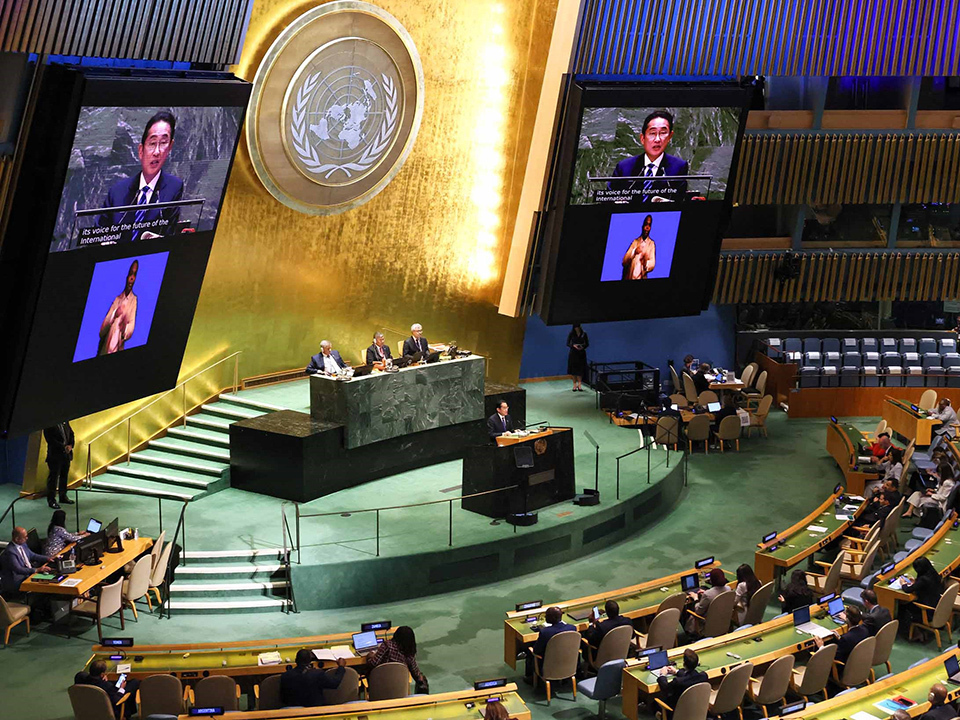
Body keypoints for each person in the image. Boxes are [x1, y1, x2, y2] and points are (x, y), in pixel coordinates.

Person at [98, 110, 184, 240]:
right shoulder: (117, 192)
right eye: (152, 143)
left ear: (170, 147)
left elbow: (170, 234)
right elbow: (96, 236)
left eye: (163, 143)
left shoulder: (174, 188)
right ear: (140, 150)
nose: (157, 152)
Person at [609, 110, 689, 202]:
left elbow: (680, 200)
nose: (658, 139)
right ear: (642, 138)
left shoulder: (678, 167)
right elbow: (609, 198)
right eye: (652, 133)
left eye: (663, 133)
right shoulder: (624, 167)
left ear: (670, 137)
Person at [74, 659, 140, 719]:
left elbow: (84, 674)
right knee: (135, 682)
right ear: (102, 674)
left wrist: (102, 680)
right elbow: (117, 700)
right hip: (107, 711)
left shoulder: (80, 677)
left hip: (87, 709)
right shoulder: (107, 686)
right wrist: (121, 688)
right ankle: (128, 714)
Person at [98, 260, 139, 356]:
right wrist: (114, 314)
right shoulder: (117, 300)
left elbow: (131, 328)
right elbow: (102, 330)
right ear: (126, 276)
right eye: (130, 274)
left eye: (134, 274)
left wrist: (124, 328)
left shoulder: (134, 301)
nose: (132, 278)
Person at [366, 625, 427, 690]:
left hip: (380, 686)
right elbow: (416, 674)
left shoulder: (387, 646)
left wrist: (370, 656)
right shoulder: (409, 654)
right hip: (400, 689)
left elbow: (373, 663)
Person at [280, 649, 346, 707]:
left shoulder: (285, 676)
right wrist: (341, 667)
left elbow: (283, 698)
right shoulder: (318, 674)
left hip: (293, 710)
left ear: (296, 660)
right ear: (310, 661)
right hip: (315, 709)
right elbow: (335, 683)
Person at [0, 527, 51, 598]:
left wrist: (48, 558)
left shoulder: (23, 545)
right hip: (18, 581)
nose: (27, 538)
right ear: (17, 539)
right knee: (44, 586)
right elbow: (18, 569)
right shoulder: (10, 552)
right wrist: (37, 570)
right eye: (25, 537)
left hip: (28, 574)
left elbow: (32, 555)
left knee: (49, 579)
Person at [526, 606, 575, 679]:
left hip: (549, 666)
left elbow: (536, 651)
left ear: (553, 618)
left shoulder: (545, 632)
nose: (545, 617)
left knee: (530, 650)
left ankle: (530, 678)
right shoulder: (572, 628)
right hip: (567, 663)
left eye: (547, 616)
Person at [900, 557, 945, 629]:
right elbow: (925, 585)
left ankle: (909, 631)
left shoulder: (923, 580)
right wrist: (916, 582)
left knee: (903, 605)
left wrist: (903, 584)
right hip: (936, 604)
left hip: (928, 611)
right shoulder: (934, 573)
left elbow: (907, 590)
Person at [685, 567, 728, 635]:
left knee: (687, 608)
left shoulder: (708, 595)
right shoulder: (728, 589)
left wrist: (695, 598)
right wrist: (706, 592)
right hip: (724, 621)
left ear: (711, 580)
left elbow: (698, 611)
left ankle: (690, 635)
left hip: (709, 624)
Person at [43, 421, 75, 509]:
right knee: (53, 478)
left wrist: (70, 445)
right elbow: (50, 440)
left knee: (64, 476)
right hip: (55, 456)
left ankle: (63, 496)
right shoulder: (49, 424)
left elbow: (71, 434)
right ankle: (51, 500)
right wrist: (63, 447)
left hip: (66, 455)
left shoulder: (65, 422)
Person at [620, 214, 657, 280]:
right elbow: (624, 262)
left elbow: (652, 264)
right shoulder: (635, 242)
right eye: (646, 224)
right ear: (642, 226)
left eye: (649, 225)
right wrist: (634, 252)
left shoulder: (651, 244)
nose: (647, 227)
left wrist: (646, 263)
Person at [566, 324, 589, 392]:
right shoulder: (571, 334)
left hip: (581, 353)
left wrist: (582, 347)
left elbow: (587, 344)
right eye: (576, 327)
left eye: (578, 327)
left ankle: (579, 385)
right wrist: (574, 346)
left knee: (580, 369)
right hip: (573, 353)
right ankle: (574, 385)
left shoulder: (584, 334)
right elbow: (567, 343)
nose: (577, 328)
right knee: (573, 369)